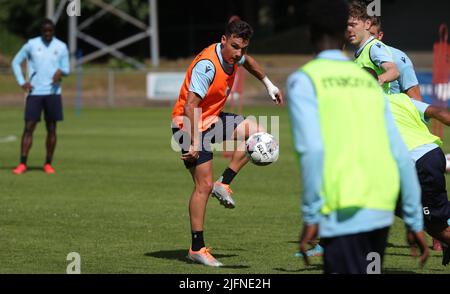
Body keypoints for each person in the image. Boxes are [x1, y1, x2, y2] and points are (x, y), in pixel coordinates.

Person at [287, 0, 428, 274]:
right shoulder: (366, 80)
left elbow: (313, 151)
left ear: (309, 34)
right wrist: (413, 219)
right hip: (380, 210)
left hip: (344, 210)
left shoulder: (304, 80)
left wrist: (312, 215)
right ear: (344, 30)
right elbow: (398, 151)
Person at [171, 19, 283, 267]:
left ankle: (224, 182)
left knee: (258, 133)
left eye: (242, 48)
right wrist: (193, 143)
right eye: (234, 47)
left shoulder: (235, 55)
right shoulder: (207, 67)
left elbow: (250, 63)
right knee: (203, 186)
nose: (239, 53)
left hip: (211, 119)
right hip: (187, 124)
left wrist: (269, 85)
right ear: (224, 40)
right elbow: (190, 106)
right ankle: (197, 248)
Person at [364, 67, 450, 266]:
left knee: (438, 226)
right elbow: (436, 112)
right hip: (432, 156)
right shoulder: (400, 99)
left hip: (420, 163)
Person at [11, 18, 69, 175]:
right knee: (28, 127)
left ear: (54, 31)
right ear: (41, 31)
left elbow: (66, 68)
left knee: (51, 129)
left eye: (50, 31)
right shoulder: (31, 44)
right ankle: (22, 163)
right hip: (34, 93)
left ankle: (48, 163)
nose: (48, 34)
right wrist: (22, 82)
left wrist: (61, 72)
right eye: (45, 31)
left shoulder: (61, 46)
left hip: (53, 93)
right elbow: (15, 62)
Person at [347, 0, 399, 94]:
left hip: (379, 106)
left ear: (367, 24)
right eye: (347, 25)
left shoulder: (374, 47)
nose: (349, 29)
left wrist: (373, 83)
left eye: (353, 25)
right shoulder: (363, 51)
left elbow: (394, 71)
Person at [369, 17, 423, 101]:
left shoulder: (398, 57)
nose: (368, 39)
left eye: (371, 34)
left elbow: (417, 100)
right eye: (365, 34)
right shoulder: (359, 57)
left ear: (380, 36)